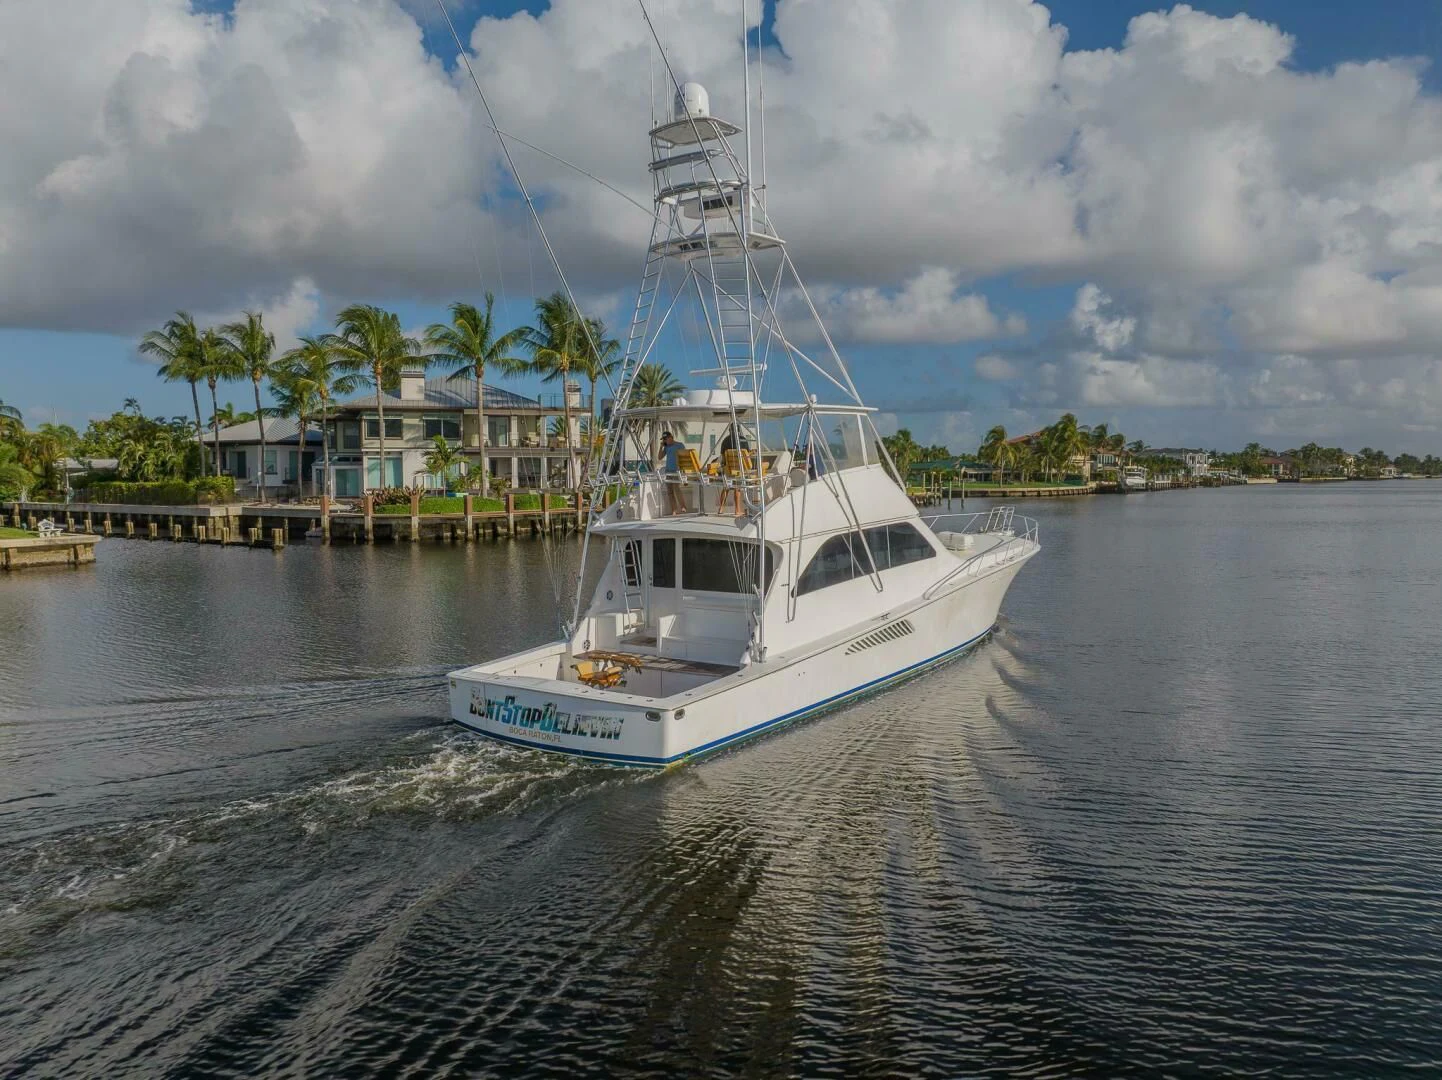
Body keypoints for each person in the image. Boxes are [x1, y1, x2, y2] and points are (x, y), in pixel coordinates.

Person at [658, 431, 688, 515]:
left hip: (676, 470)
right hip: (668, 471)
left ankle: (683, 506)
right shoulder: (666, 447)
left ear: (671, 437)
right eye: (663, 439)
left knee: (677, 488)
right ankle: (674, 509)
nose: (664, 441)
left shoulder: (679, 445)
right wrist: (661, 447)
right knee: (670, 491)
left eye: (665, 439)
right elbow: (660, 457)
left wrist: (684, 472)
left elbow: (684, 457)